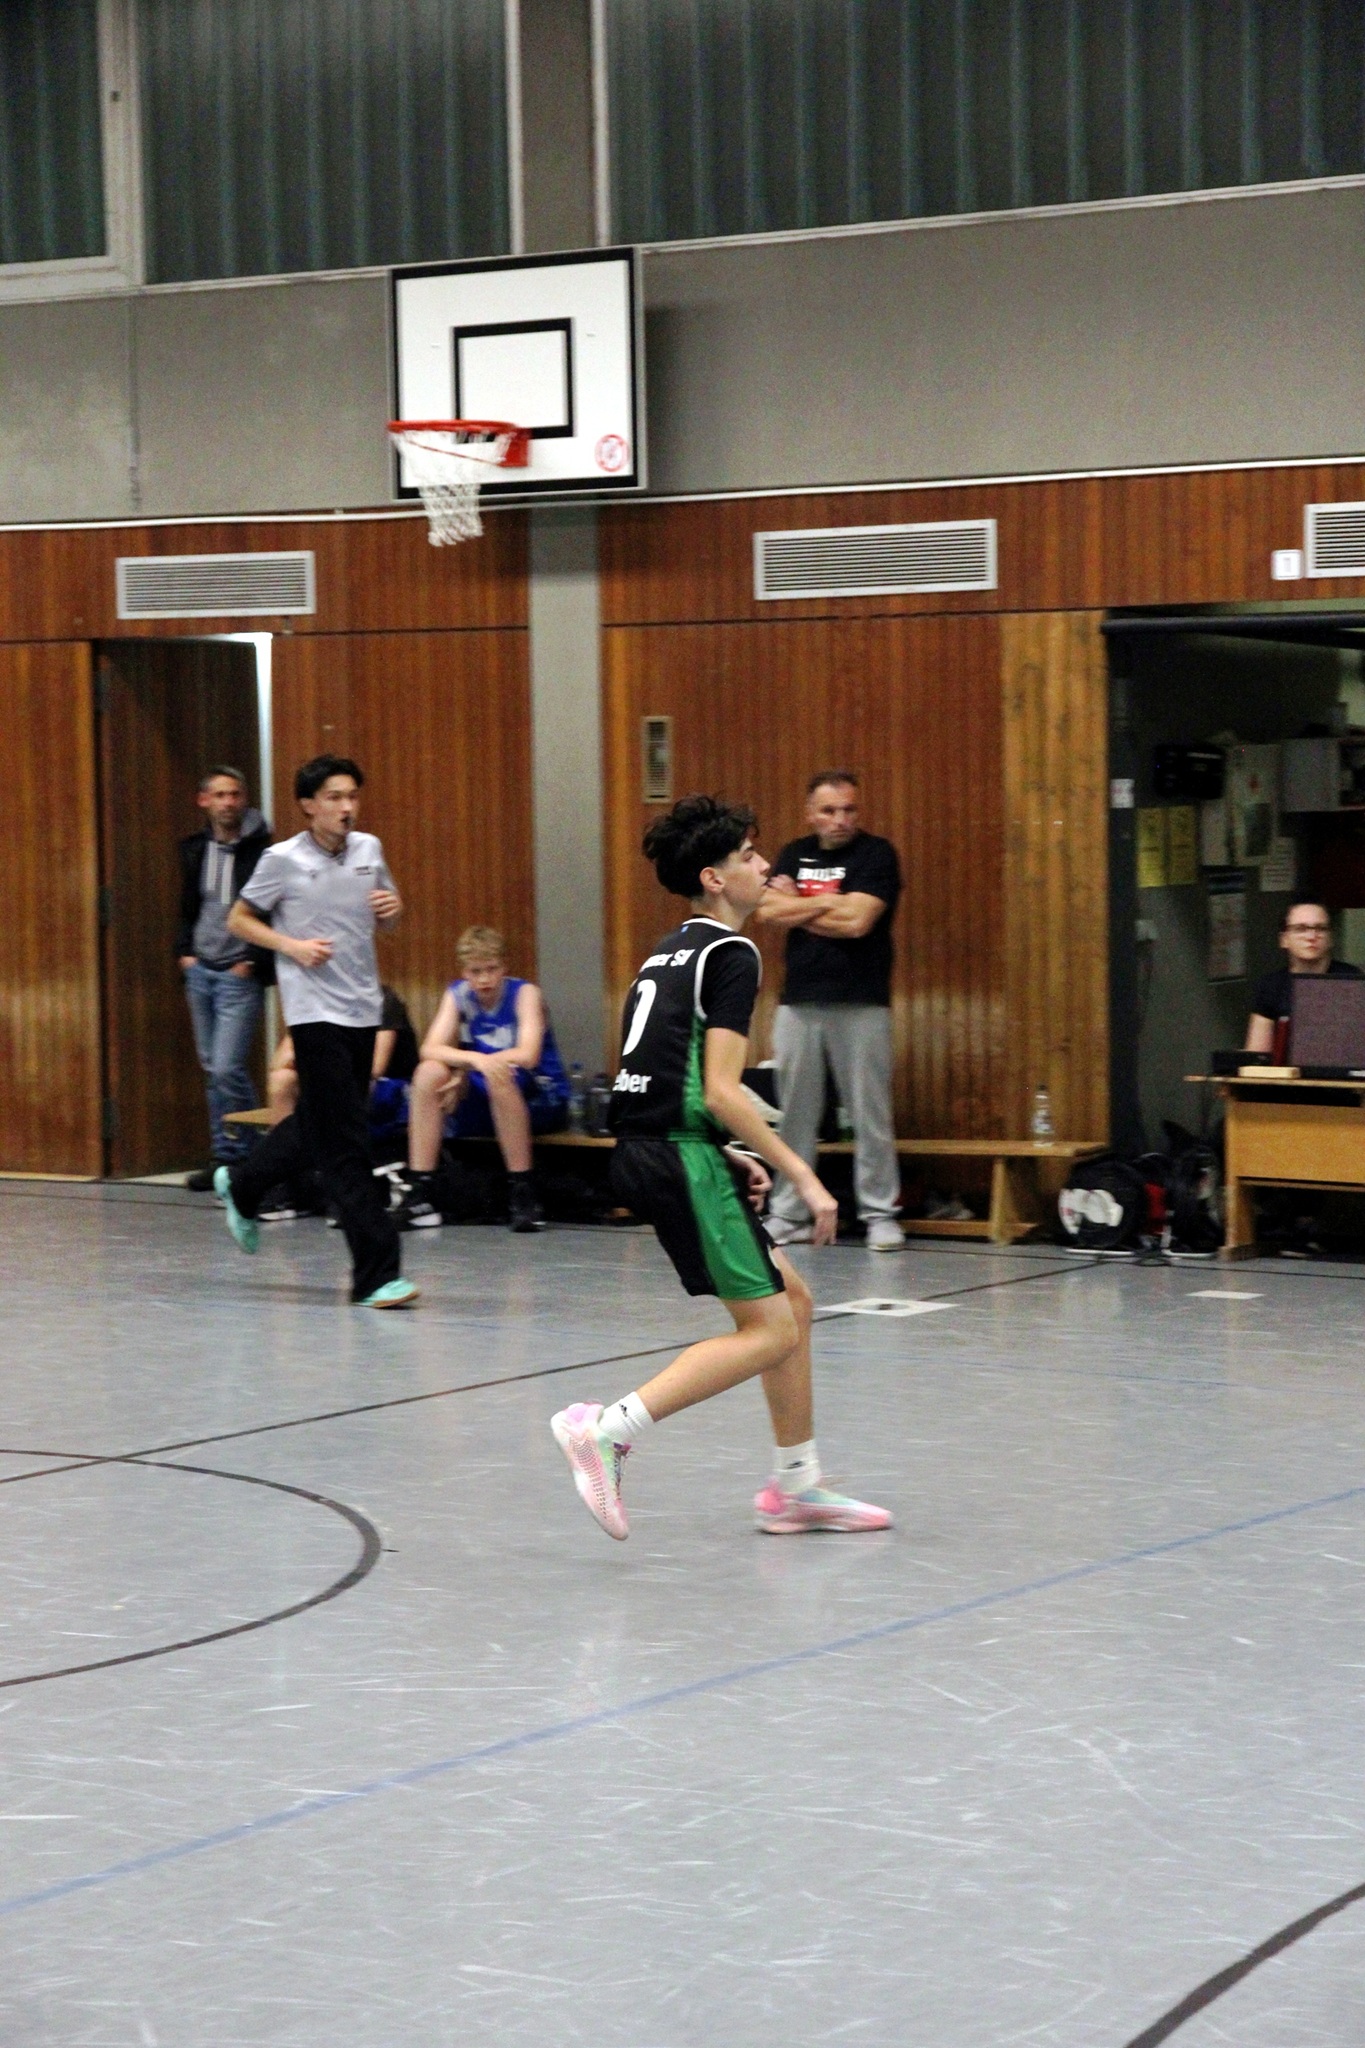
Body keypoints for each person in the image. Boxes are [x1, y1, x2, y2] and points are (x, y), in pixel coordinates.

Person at [550, 794, 891, 1541]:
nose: (765, 866)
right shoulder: (733, 954)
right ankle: (606, 1431)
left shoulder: (669, 950)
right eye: (747, 856)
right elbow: (723, 1089)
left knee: (791, 1302)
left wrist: (724, 1148)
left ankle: (797, 1485)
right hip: (678, 1156)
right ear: (713, 877)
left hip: (655, 1147)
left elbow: (662, 1073)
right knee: (769, 1331)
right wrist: (803, 1174)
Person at [212, 755, 417, 1309]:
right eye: (334, 797)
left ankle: (243, 1183)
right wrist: (293, 947)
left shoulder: (369, 850)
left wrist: (393, 909)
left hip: (362, 1010)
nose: (346, 807)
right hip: (312, 1014)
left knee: (320, 1125)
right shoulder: (282, 860)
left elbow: (388, 919)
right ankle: (376, 1274)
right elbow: (239, 919)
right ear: (308, 805)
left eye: (352, 796)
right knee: (347, 1143)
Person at [756, 771, 905, 1251]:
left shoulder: (876, 854)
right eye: (829, 810)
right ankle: (789, 1212)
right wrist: (827, 906)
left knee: (869, 1113)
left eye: (849, 810)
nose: (840, 819)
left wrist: (797, 901)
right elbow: (767, 912)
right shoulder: (793, 854)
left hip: (861, 1002)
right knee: (795, 1114)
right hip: (798, 1002)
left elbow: (859, 922)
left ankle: (880, 1214)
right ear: (810, 814)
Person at [398, 926, 569, 1233]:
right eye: (476, 972)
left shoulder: (524, 994)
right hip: (488, 1088)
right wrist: (473, 1063)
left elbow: (528, 1054)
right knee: (428, 1072)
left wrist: (473, 1067)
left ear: (504, 968)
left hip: (540, 1096)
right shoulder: (458, 994)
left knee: (498, 1073)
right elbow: (429, 1048)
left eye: (491, 969)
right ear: (464, 972)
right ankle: (421, 1191)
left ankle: (523, 1192)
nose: (484, 979)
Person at [176, 767, 272, 1190]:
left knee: (227, 1066)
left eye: (235, 794)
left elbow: (271, 909)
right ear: (204, 801)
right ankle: (224, 1157)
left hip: (238, 971)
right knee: (212, 1069)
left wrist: (251, 961)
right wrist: (185, 953)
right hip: (201, 968)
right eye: (219, 795)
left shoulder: (263, 851)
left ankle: (256, 1157)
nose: (228, 802)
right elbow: (188, 905)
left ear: (244, 799)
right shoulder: (195, 849)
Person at [260, 985, 420, 1222]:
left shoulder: (382, 999)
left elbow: (374, 1066)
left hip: (388, 1089)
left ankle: (345, 1188)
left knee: (346, 1086)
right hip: (333, 1078)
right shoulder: (314, 1002)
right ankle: (288, 1184)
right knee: (282, 1080)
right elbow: (279, 1062)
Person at [1246, 900, 1364, 1056]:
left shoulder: (1352, 979)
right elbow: (1256, 1055)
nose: (1311, 936)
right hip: (1287, 1071)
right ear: (1284, 939)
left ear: (1330, 938)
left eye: (1320, 928)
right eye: (1301, 929)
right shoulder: (1271, 986)